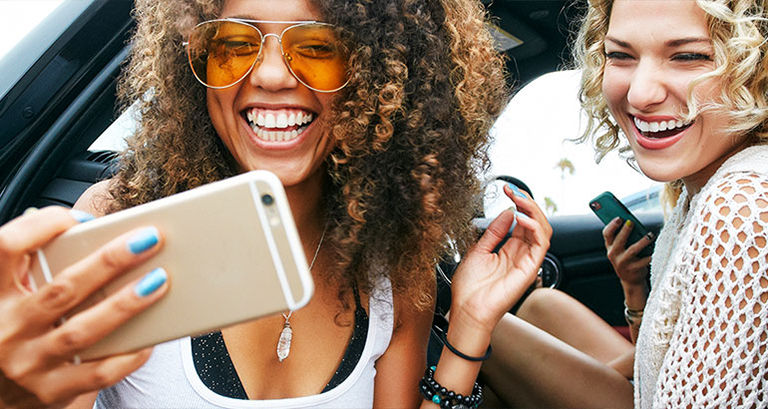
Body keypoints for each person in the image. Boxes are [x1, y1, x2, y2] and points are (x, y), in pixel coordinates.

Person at [0, 0, 552, 408]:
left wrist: (471, 324)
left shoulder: (396, 268)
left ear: (385, 75)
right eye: (233, 45)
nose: (267, 74)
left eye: (317, 48)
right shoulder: (124, 223)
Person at [481, 0, 768, 407]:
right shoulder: (705, 188)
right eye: (620, 55)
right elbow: (659, 362)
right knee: (541, 305)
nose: (640, 93)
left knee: (479, 328)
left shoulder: (741, 205)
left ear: (757, 67)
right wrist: (635, 291)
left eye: (688, 56)